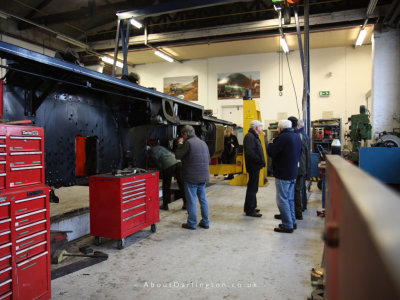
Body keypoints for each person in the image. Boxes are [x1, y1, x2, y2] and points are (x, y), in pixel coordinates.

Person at [267, 119, 302, 233]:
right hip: (293, 172)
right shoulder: (297, 137)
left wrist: (270, 144)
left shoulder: (282, 138)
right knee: (290, 199)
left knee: (282, 200)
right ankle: (292, 221)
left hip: (283, 173)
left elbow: (272, 152)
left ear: (280, 128)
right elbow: (300, 153)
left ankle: (287, 225)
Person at [175, 125, 210, 230]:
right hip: (203, 176)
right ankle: (205, 222)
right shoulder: (203, 143)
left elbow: (178, 155)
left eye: (183, 135)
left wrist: (180, 143)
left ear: (185, 134)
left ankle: (191, 223)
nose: (183, 137)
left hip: (191, 177)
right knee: (203, 200)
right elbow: (208, 159)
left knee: (191, 201)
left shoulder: (187, 143)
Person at [148, 145, 186, 211]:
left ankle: (165, 205)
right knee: (181, 184)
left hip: (169, 165)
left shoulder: (151, 152)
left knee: (166, 185)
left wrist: (161, 171)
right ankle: (186, 204)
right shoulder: (161, 147)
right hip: (178, 162)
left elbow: (157, 163)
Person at [288, 116, 310, 219]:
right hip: (301, 167)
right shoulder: (302, 136)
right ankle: (298, 211)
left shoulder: (291, 136)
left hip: (293, 167)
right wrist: (306, 167)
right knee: (298, 190)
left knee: (293, 191)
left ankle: (296, 213)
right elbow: (306, 152)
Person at [243, 120, 265, 217]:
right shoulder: (250, 137)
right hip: (253, 166)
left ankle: (251, 206)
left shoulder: (253, 136)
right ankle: (250, 210)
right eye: (260, 127)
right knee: (252, 188)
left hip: (255, 165)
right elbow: (250, 153)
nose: (261, 129)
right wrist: (259, 161)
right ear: (256, 127)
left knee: (253, 187)